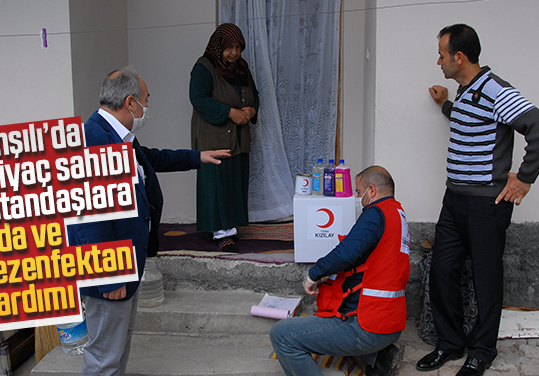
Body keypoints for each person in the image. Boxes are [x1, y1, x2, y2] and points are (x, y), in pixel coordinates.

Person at [67, 67, 230, 376]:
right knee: (104, 355)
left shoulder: (118, 136)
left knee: (118, 349)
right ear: (130, 103)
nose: (146, 107)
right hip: (109, 272)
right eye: (146, 100)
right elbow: (90, 217)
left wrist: (197, 157)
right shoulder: (93, 140)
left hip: (126, 264)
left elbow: (151, 159)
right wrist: (111, 276)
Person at [416, 24, 539, 376]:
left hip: (486, 205)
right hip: (455, 200)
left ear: (459, 57)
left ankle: (482, 350)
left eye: (442, 55)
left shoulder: (495, 89)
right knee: (443, 269)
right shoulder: (466, 91)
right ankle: (450, 343)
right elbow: (471, 122)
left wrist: (523, 180)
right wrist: (445, 104)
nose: (439, 61)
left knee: (486, 279)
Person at [270, 166, 410, 376]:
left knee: (282, 335)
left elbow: (347, 253)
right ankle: (379, 357)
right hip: (391, 323)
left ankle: (372, 352)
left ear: (371, 191)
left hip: (367, 327)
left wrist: (313, 274)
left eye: (358, 191)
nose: (358, 197)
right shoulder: (398, 215)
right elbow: (371, 261)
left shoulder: (375, 214)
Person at [189, 23, 259, 252]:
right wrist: (230, 113)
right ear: (218, 46)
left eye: (238, 47)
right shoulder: (204, 67)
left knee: (234, 182)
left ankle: (231, 228)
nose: (235, 52)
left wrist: (250, 110)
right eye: (229, 47)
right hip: (213, 137)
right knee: (216, 183)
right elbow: (198, 99)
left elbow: (254, 95)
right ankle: (221, 232)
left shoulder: (242, 67)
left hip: (238, 137)